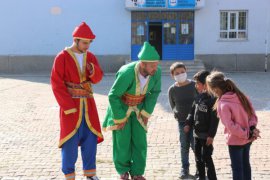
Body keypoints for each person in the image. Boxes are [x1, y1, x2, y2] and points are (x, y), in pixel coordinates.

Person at [51, 22, 103, 180]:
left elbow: (98, 77)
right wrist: (67, 106)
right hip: (71, 107)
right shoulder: (62, 57)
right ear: (76, 39)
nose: (87, 46)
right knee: (70, 141)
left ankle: (90, 174)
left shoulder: (91, 57)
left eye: (89, 43)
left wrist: (93, 72)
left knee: (90, 140)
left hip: (88, 105)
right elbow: (56, 83)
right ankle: (69, 175)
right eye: (85, 42)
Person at [102, 42, 161, 180]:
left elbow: (155, 92)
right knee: (122, 141)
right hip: (121, 107)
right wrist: (120, 118)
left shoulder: (156, 73)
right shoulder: (127, 72)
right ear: (142, 64)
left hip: (140, 109)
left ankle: (137, 172)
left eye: (156, 64)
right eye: (152, 65)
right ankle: (123, 170)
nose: (155, 68)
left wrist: (146, 112)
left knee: (140, 141)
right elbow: (113, 96)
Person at [206, 71, 260, 180]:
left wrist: (246, 133)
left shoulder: (223, 104)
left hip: (236, 141)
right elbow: (253, 116)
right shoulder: (242, 96)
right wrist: (251, 129)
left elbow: (230, 126)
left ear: (216, 89)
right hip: (248, 139)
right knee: (246, 165)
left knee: (237, 169)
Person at [184, 70, 219, 180]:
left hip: (206, 136)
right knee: (198, 158)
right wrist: (188, 123)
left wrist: (211, 135)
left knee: (207, 158)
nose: (195, 85)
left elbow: (215, 120)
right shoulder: (198, 97)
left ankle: (212, 177)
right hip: (196, 134)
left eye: (197, 83)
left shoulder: (213, 100)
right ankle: (201, 177)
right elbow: (192, 111)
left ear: (205, 85)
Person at [168, 62, 198, 179]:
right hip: (182, 122)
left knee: (195, 145)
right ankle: (184, 168)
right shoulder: (172, 89)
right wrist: (177, 115)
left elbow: (201, 101)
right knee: (184, 146)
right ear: (172, 75)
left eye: (182, 72)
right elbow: (172, 105)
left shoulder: (194, 85)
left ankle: (200, 168)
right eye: (177, 73)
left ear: (186, 71)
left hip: (196, 122)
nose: (180, 74)